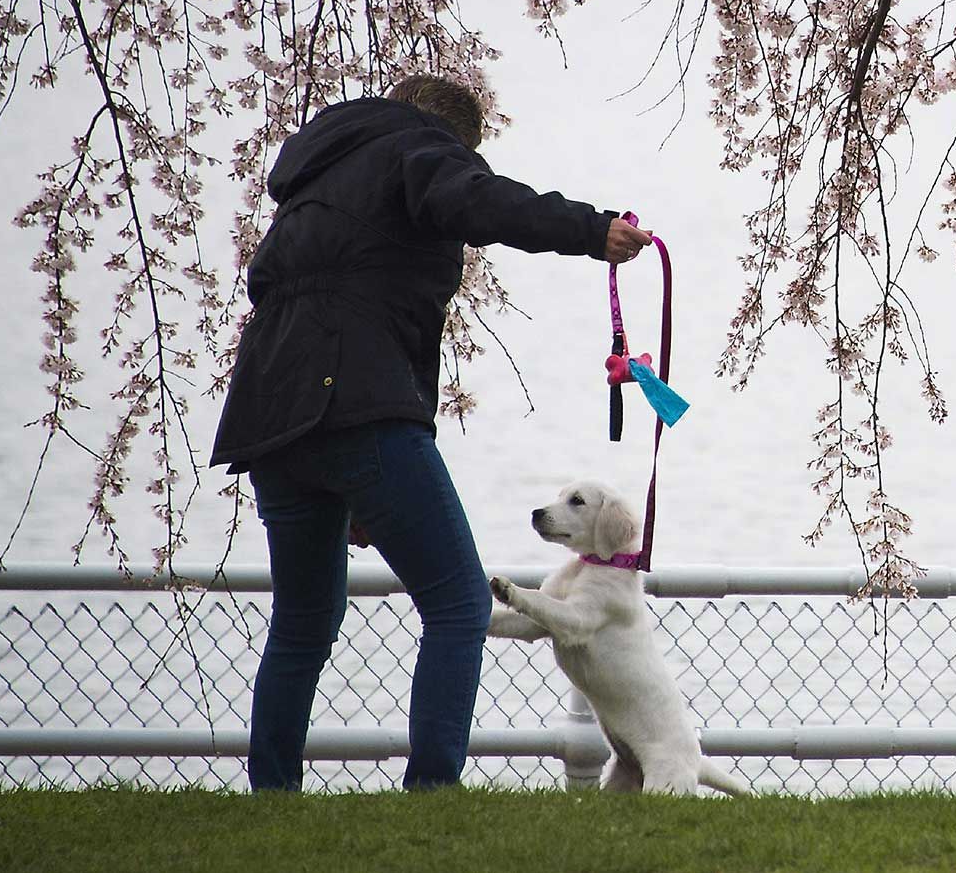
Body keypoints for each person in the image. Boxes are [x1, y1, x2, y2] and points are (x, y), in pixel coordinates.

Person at [209, 74, 651, 791]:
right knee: (459, 604)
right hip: (361, 408)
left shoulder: (316, 177)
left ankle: (273, 794)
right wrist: (588, 230)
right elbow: (480, 201)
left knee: (302, 621)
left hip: (272, 419)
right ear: (451, 136)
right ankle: (432, 791)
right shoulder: (416, 145)